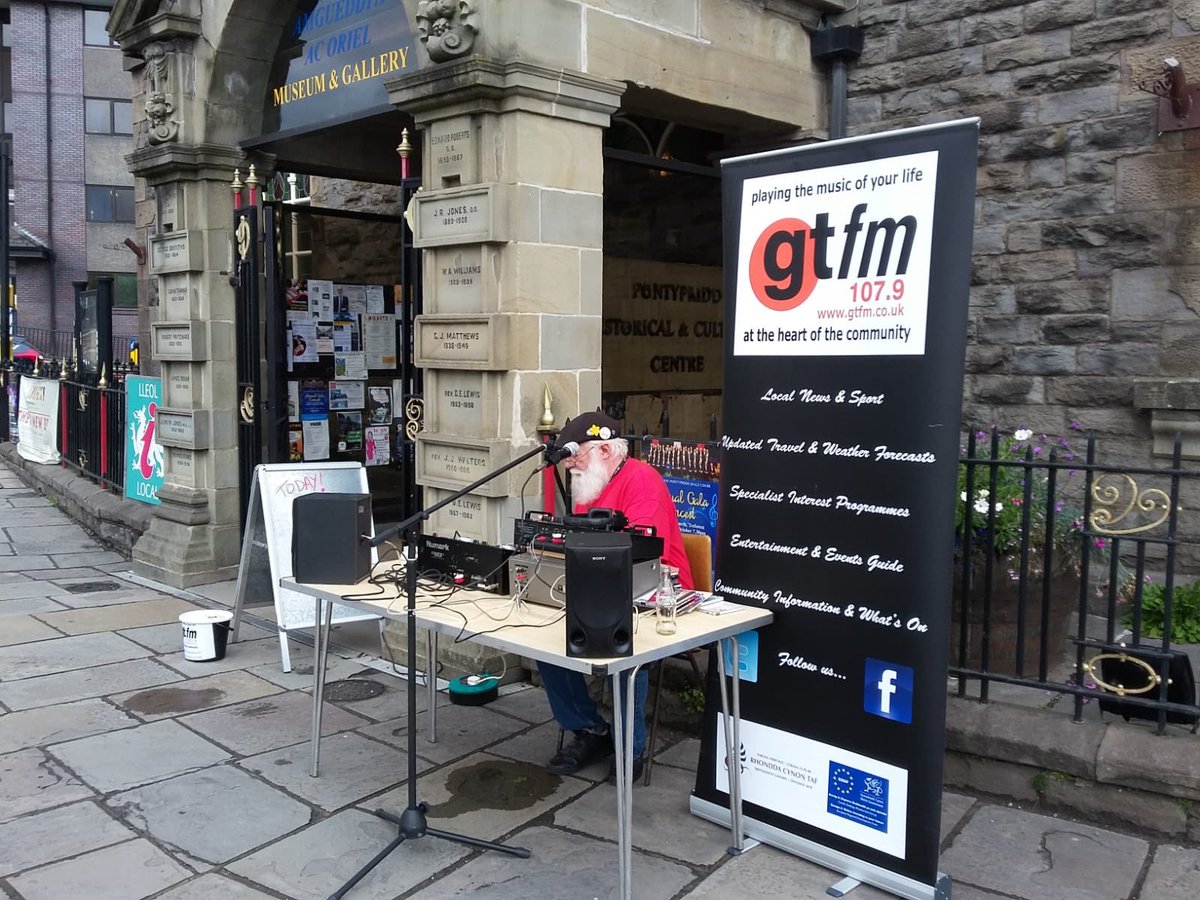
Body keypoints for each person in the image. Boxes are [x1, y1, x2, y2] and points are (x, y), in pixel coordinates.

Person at [538, 411, 694, 783]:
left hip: (657, 593)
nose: (570, 467)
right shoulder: (589, 484)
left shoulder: (642, 480)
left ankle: (630, 747)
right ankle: (590, 729)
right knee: (541, 639)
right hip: (599, 589)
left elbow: (640, 553)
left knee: (623, 649)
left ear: (605, 450)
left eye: (576, 457)